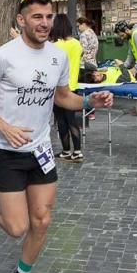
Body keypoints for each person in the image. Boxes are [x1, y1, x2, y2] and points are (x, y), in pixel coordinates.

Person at [0, 0, 113, 273]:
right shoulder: (3, 56)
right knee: (17, 227)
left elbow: (62, 97)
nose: (44, 23)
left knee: (42, 220)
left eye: (49, 16)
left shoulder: (58, 56)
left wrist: (90, 100)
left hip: (41, 149)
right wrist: (3, 126)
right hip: (6, 150)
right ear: (21, 20)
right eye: (37, 17)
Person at [51, 14, 84, 162]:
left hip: (59, 88)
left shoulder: (55, 46)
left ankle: (66, 150)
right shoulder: (77, 44)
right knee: (72, 120)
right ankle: (77, 151)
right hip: (73, 86)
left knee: (61, 120)